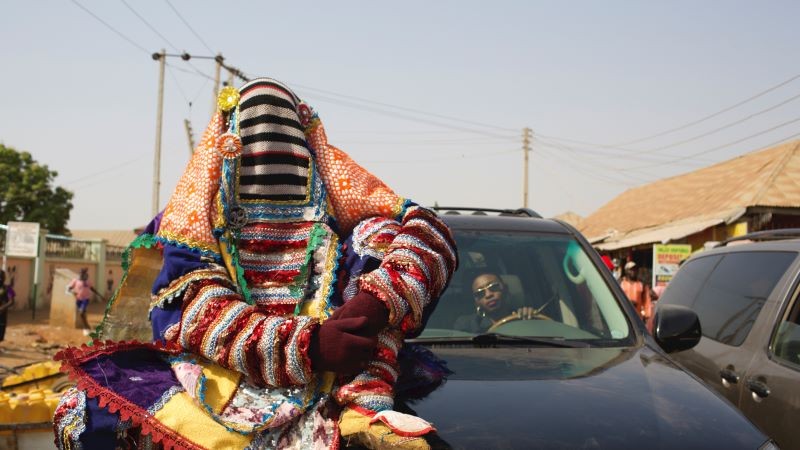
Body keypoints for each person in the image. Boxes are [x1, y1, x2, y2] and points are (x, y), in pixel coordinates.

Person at [53, 78, 457, 450]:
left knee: (382, 245)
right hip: (217, 376)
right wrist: (307, 347)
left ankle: (364, 408)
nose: (270, 147)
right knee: (80, 415)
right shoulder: (194, 218)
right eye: (256, 131)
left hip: (341, 381)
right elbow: (194, 306)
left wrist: (369, 309)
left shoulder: (346, 223)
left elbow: (429, 236)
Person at [454, 272, 540, 333]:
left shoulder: (523, 318)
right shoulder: (467, 325)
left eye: (494, 287)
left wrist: (532, 321)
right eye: (480, 293)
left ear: (505, 289)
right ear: (477, 301)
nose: (488, 295)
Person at [67, 268, 98, 333]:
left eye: (83, 273)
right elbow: (69, 289)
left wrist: (99, 295)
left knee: (81, 312)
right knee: (82, 314)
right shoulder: (75, 281)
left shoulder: (87, 281)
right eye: (81, 273)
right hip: (78, 299)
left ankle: (86, 327)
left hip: (85, 299)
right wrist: (72, 292)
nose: (82, 275)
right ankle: (87, 325)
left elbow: (92, 288)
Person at [0, 268, 16, 343]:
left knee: (1, 330)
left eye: (2, 277)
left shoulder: (8, 289)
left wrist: (3, 308)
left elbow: (11, 301)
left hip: (2, 314)